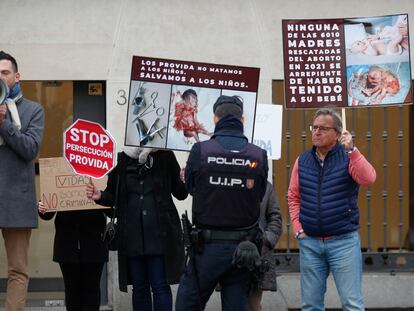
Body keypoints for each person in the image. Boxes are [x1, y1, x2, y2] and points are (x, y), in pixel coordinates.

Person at [175, 95, 269, 311]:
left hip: (206, 249)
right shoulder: (259, 155)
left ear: (215, 119)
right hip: (243, 251)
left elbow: (190, 188)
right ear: (242, 119)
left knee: (187, 306)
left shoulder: (201, 150)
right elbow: (260, 194)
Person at [288, 108, 376, 311]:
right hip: (310, 242)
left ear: (337, 133)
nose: (316, 132)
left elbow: (369, 178)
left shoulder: (349, 158)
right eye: (314, 127)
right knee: (310, 305)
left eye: (323, 128)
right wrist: (298, 228)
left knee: (352, 304)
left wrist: (353, 150)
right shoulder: (302, 161)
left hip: (343, 243)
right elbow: (293, 196)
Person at [86, 146, 188, 311]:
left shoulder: (165, 156)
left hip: (160, 236)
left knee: (160, 286)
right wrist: (100, 196)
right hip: (132, 236)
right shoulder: (122, 159)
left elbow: (180, 193)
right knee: (139, 288)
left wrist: (184, 179)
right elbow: (113, 195)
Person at [0, 51, 44, 311]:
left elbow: (30, 149)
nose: (1, 78)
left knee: (17, 270)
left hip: (17, 198)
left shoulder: (33, 110)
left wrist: (5, 124)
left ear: (17, 77)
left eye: (5, 72)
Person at [37, 200, 109, 311]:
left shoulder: (99, 182)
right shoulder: (56, 182)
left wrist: (101, 197)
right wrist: (42, 206)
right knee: (72, 290)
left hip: (93, 242)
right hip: (67, 243)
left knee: (92, 289)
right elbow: (47, 215)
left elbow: (112, 209)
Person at [247, 181, 282, 311]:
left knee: (253, 306)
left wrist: (265, 239)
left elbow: (275, 218)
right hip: (232, 255)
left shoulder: (265, 186)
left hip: (258, 256)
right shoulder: (228, 182)